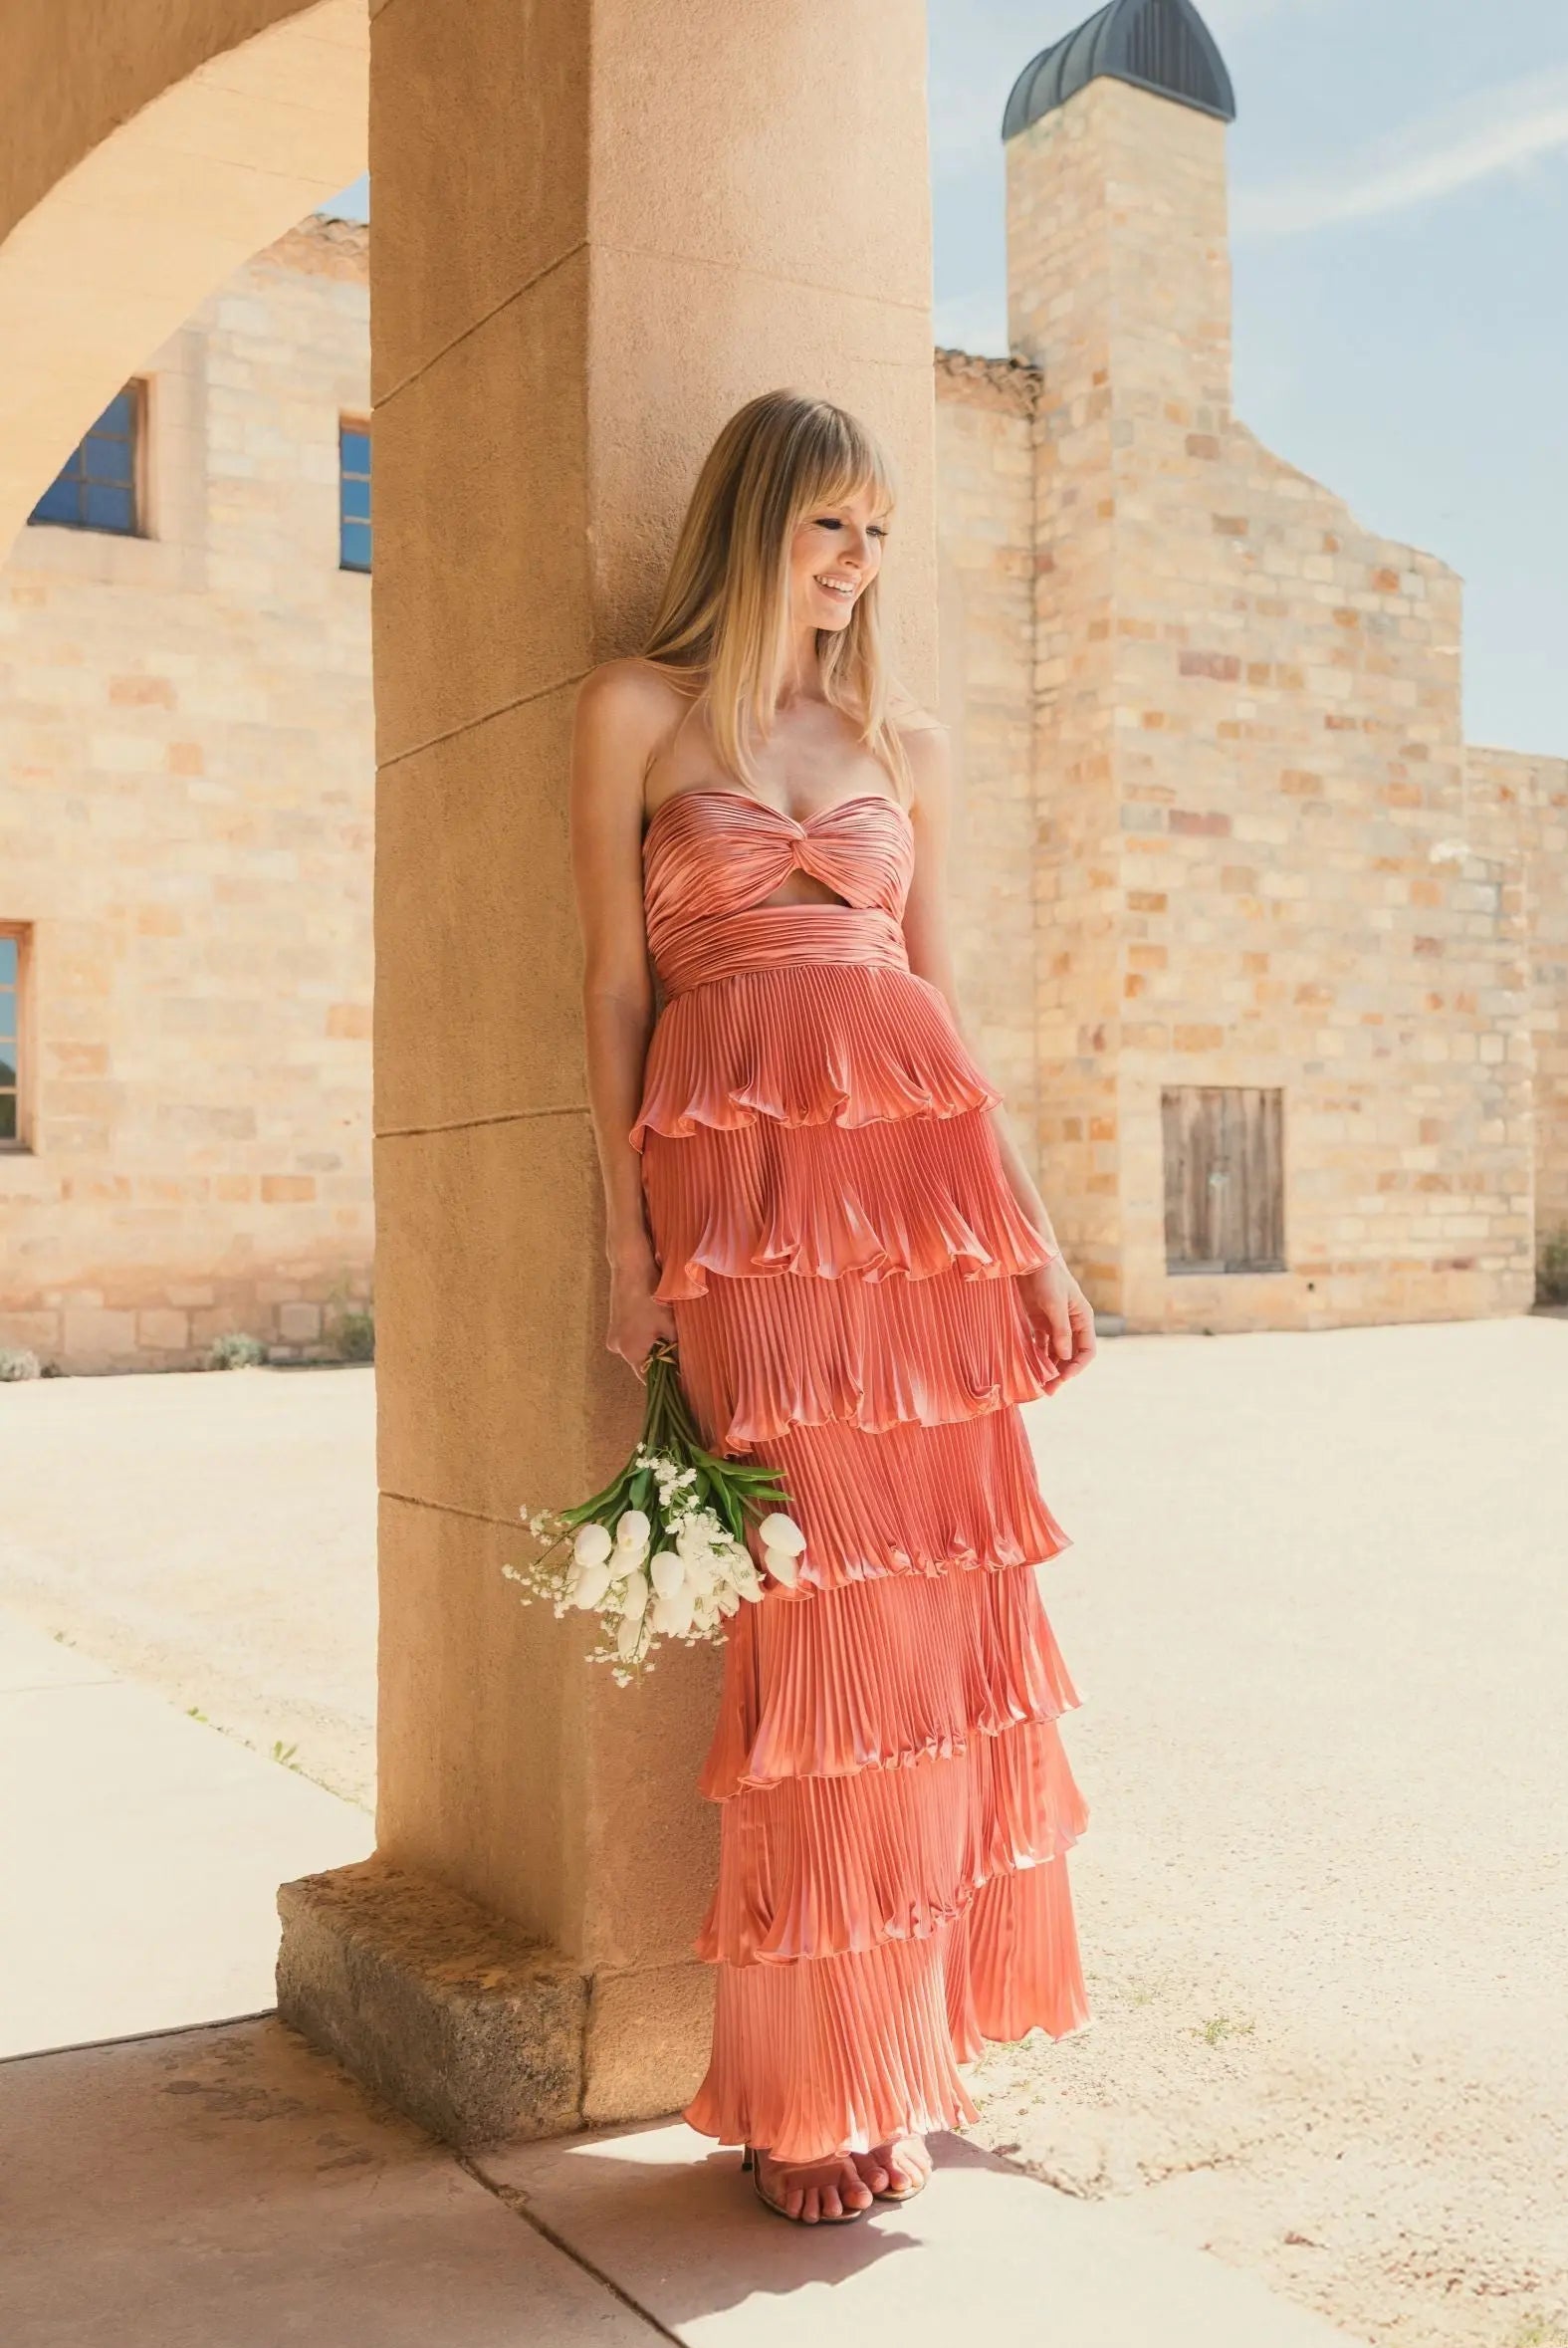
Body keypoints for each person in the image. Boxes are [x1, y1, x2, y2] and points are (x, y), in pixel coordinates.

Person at [569, 389, 1094, 2227]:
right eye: (828, 526)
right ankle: (812, 2085)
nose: (859, 562)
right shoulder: (638, 714)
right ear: (753, 525)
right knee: (817, 1640)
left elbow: (943, 1010)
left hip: (919, 1214)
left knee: (933, 1634)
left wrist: (1034, 1240)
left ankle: (898, 2055)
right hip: (748, 1216)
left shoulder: (905, 746)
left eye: (877, 532)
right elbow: (613, 995)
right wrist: (630, 1249)